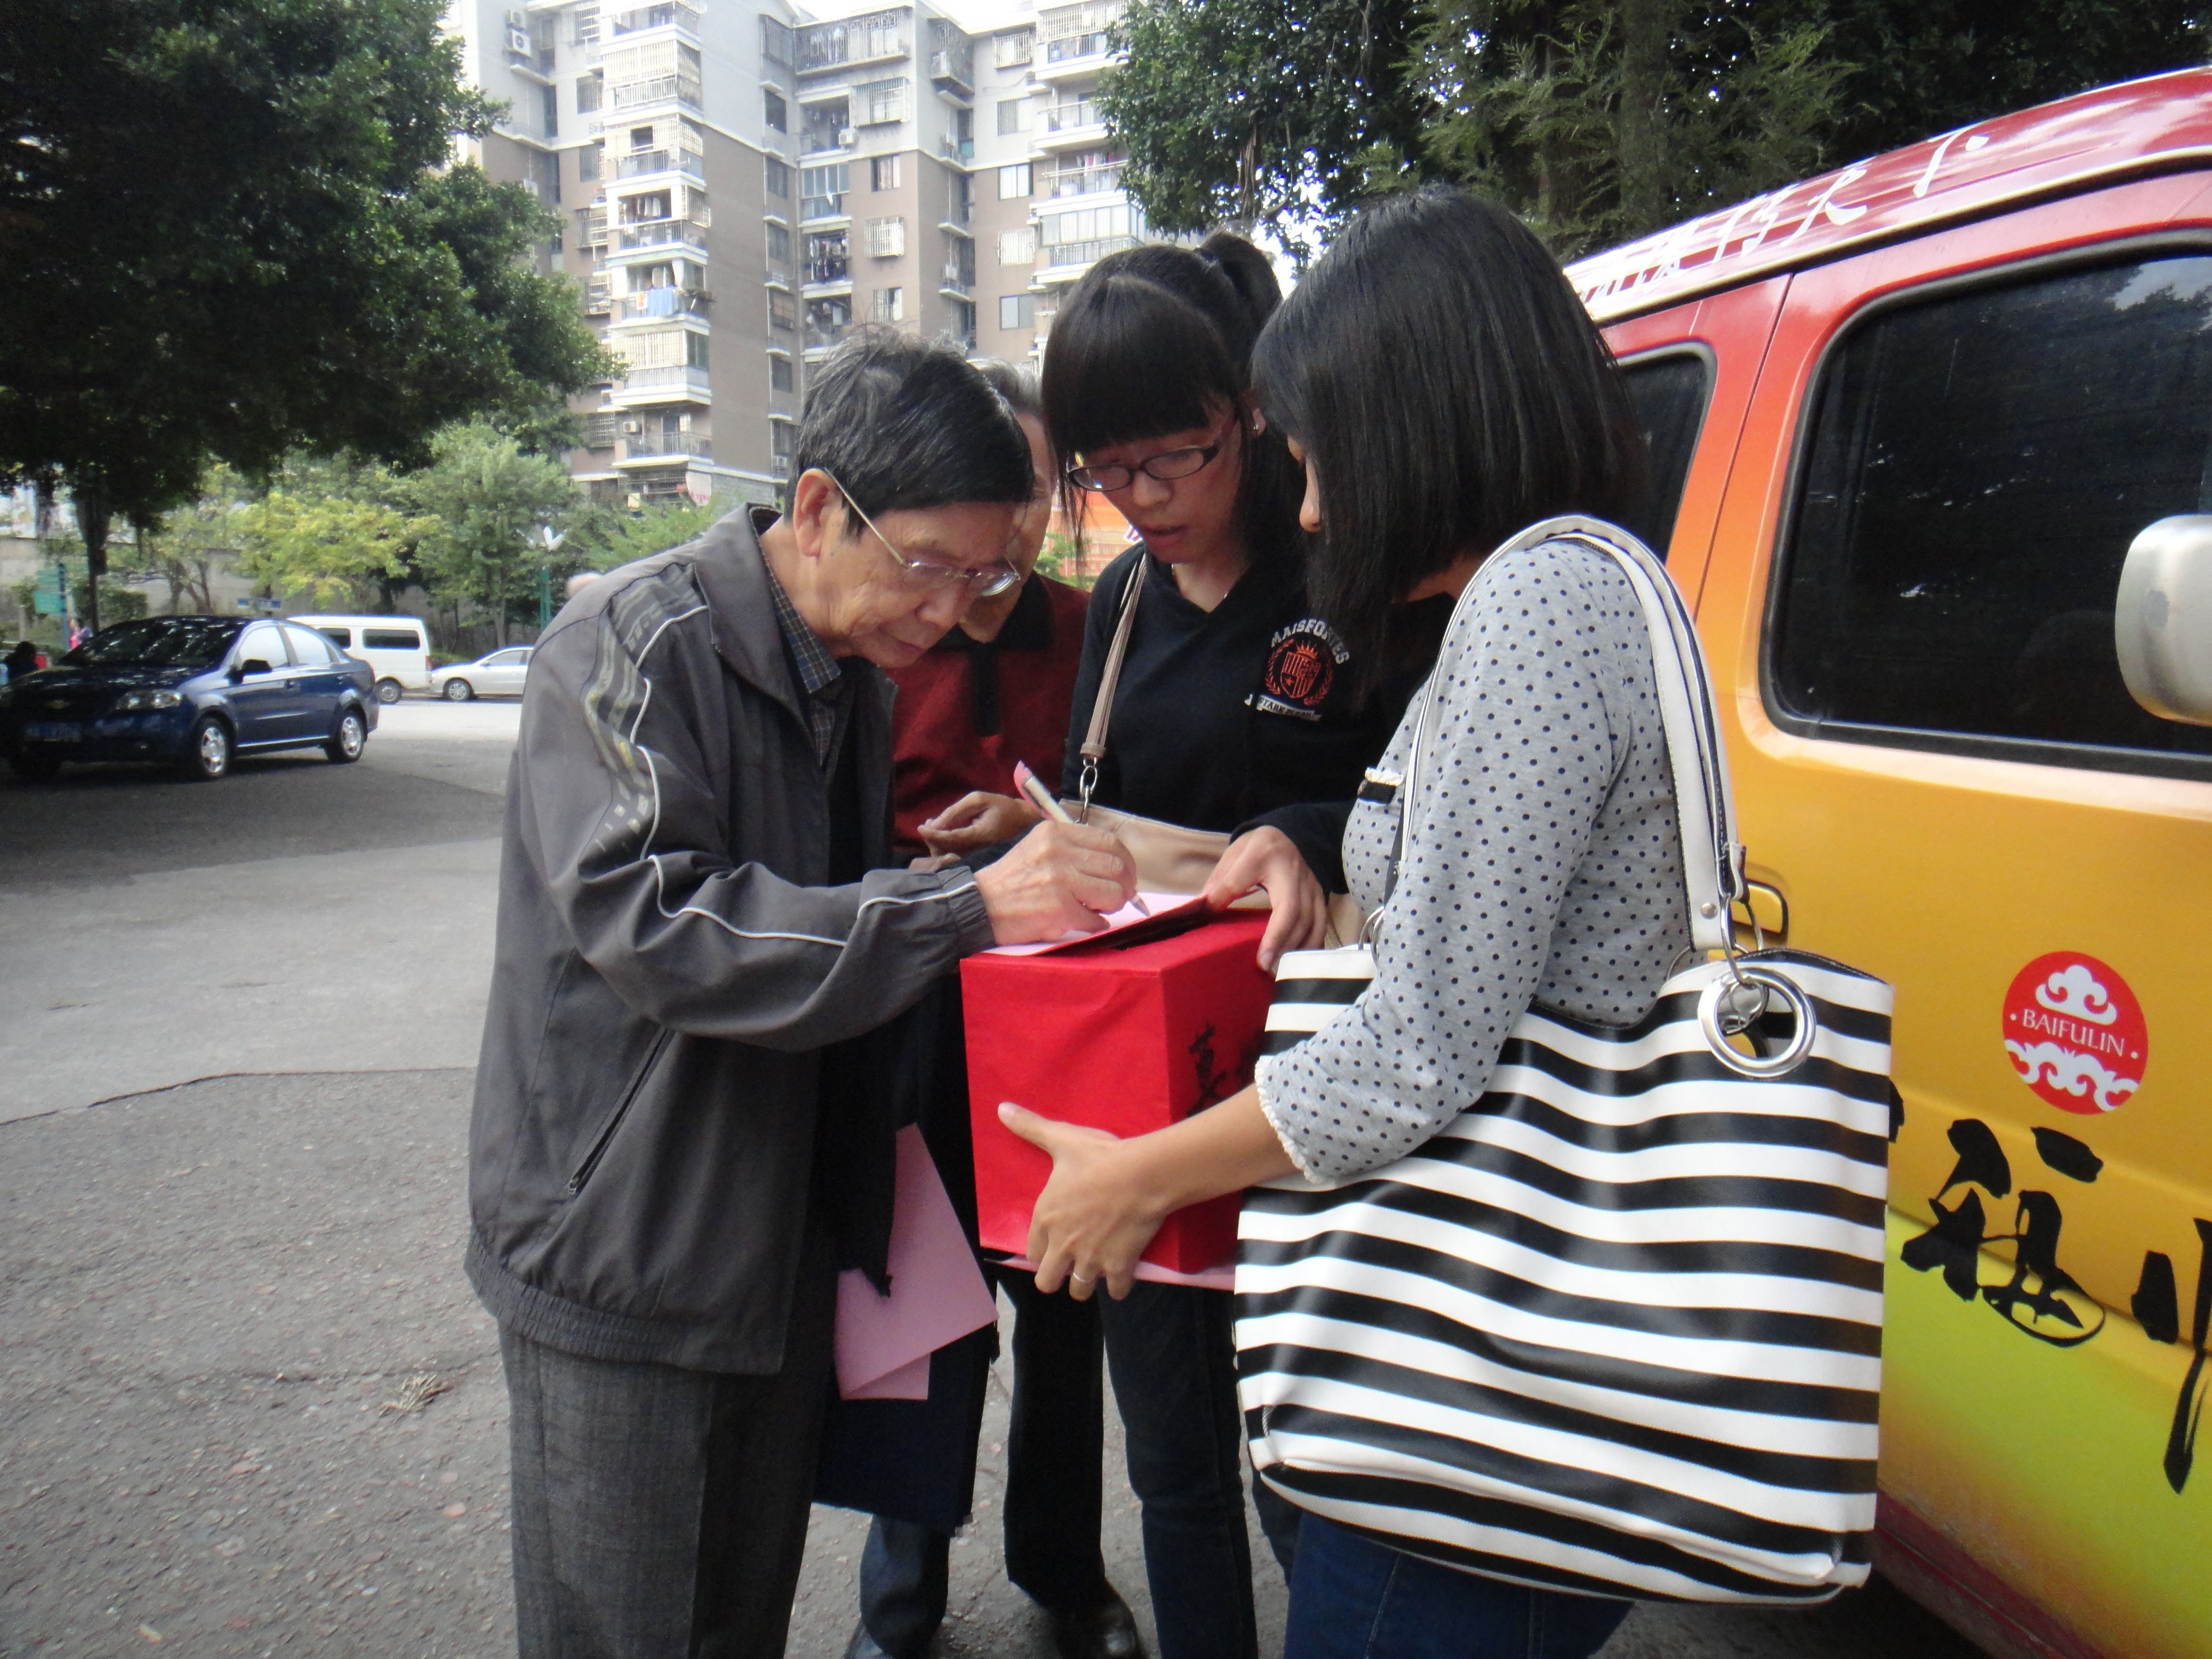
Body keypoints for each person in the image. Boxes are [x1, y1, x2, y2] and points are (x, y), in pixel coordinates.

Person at [1003, 185, 1672, 1659]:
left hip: (1488, 1365)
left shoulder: (1534, 611)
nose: (1307, 505)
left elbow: (1419, 1046)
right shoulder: (1583, 581)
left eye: (1320, 454)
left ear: (1425, 419)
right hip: (1508, 1333)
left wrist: (1140, 1175)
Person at [465, 329, 1139, 1659]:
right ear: (823, 508)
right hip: (626, 1248)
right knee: (627, 1630)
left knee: (741, 1622)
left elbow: (817, 919)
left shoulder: (853, 675)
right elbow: (662, 925)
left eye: (987, 573)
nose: (949, 611)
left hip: (771, 1241)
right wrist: (962, 907)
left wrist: (952, 871)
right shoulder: (628, 647)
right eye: (931, 567)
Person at [930, 233, 1422, 1659]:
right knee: (1176, 1465)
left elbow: (1432, 800)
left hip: (1321, 1081)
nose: (1138, 501)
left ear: (1250, 413)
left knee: (1314, 1458)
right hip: (1147, 1076)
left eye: (1173, 460)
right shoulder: (1131, 601)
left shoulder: (1351, 563)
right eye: (1105, 471)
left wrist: (1309, 834)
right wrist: (1029, 845)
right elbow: (1104, 799)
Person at [844, 363, 1139, 1659]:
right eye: (990, 492)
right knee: (923, 1314)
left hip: (1061, 1035)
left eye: (1029, 490)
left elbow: (1137, 825)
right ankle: (897, 1599)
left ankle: (1064, 1573)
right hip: (913, 1028)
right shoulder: (878, 637)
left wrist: (1042, 829)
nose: (1009, 525)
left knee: (1065, 1317)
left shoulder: (1091, 632)